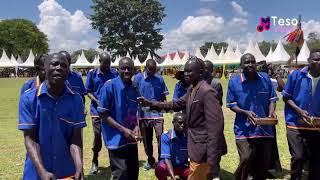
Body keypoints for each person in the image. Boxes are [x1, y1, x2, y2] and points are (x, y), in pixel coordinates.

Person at [139, 56, 226, 180]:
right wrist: (151, 104)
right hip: (194, 149)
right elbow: (175, 105)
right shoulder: (192, 89)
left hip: (203, 152)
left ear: (200, 72)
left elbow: (215, 128)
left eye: (190, 71)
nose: (186, 74)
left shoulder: (207, 92)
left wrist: (213, 160)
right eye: (185, 71)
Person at [18, 53, 86, 180]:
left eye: (64, 66)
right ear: (44, 68)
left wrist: (79, 167)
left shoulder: (76, 99)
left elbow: (76, 138)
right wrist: (42, 171)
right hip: (36, 173)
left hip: (67, 171)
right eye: (54, 64)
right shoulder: (28, 99)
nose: (59, 68)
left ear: (68, 71)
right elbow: (30, 139)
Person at [226, 53, 278, 180]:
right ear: (241, 65)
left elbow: (272, 99)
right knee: (246, 157)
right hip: (243, 129)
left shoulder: (265, 78)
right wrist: (245, 112)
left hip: (264, 129)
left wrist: (271, 111)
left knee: (263, 163)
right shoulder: (234, 82)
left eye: (252, 62)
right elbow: (231, 104)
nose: (250, 64)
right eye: (247, 62)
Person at [97, 57, 140, 180]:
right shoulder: (109, 86)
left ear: (133, 70)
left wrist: (136, 126)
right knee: (121, 174)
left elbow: (134, 111)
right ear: (117, 69)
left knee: (133, 172)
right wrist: (123, 130)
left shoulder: (134, 88)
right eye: (123, 68)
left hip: (131, 138)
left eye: (129, 69)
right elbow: (103, 114)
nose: (126, 71)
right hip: (115, 138)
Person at [282, 49, 320, 180]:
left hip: (316, 125)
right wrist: (299, 111)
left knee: (316, 158)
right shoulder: (296, 75)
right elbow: (286, 97)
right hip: (294, 123)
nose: (318, 62)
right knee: (298, 156)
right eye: (315, 59)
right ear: (309, 61)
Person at [85, 52, 118, 174]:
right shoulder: (92, 74)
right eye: (106, 63)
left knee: (112, 136)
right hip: (97, 112)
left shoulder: (114, 73)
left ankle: (114, 163)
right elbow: (87, 91)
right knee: (98, 136)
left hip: (110, 111)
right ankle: (94, 161)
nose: (108, 65)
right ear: (100, 62)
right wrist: (98, 101)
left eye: (109, 63)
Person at [133, 59, 169, 170]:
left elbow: (163, 97)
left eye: (155, 70)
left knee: (160, 137)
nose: (154, 72)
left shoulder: (160, 79)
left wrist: (163, 109)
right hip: (143, 115)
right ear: (146, 68)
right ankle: (150, 160)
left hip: (157, 115)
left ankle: (161, 161)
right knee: (147, 140)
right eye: (151, 70)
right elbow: (133, 96)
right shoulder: (138, 78)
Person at [155, 112, 190, 180]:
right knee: (159, 170)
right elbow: (167, 158)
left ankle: (183, 177)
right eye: (180, 122)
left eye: (184, 123)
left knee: (194, 172)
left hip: (183, 166)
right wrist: (173, 177)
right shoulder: (166, 136)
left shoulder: (189, 136)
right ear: (173, 122)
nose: (183, 125)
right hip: (168, 165)